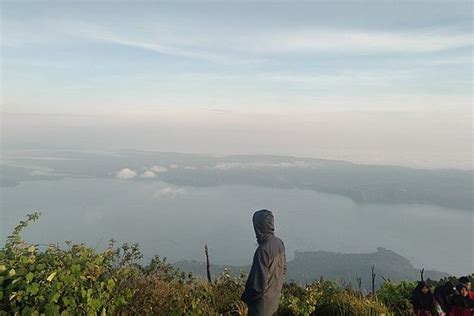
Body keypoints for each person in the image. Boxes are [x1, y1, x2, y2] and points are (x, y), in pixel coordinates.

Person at [241, 209, 287, 316]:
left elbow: (259, 286)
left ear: (258, 226)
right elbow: (284, 270)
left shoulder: (263, 249)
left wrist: (246, 298)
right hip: (274, 302)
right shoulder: (279, 243)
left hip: (260, 307)